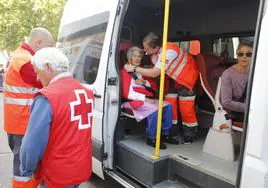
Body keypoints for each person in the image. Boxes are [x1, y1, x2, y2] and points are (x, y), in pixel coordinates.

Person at [19, 47, 94, 187]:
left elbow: (32, 144)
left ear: (48, 67)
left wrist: (27, 169)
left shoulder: (47, 97)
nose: (37, 77)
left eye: (37, 72)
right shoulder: (86, 93)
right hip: (79, 168)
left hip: (56, 173)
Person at [124, 32, 199, 143]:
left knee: (186, 108)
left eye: (146, 49)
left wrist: (135, 70)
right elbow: (128, 92)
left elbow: (154, 73)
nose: (145, 51)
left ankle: (189, 135)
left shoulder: (169, 51)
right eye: (136, 55)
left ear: (156, 47)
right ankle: (169, 132)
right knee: (170, 104)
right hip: (171, 79)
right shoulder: (152, 55)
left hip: (186, 78)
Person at [3, 27, 54, 187]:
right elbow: (46, 81)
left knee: (25, 163)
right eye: (48, 48)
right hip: (22, 123)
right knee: (23, 167)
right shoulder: (26, 61)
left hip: (19, 121)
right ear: (38, 43)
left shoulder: (21, 56)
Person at [121, 46, 179, 149]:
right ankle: (151, 138)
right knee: (154, 109)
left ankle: (165, 134)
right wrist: (145, 99)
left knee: (167, 106)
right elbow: (127, 93)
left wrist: (144, 82)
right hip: (131, 102)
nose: (137, 58)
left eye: (139, 56)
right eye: (134, 56)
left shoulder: (139, 70)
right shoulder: (125, 71)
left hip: (143, 99)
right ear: (129, 58)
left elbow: (150, 85)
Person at [221, 41, 253, 122]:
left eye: (249, 54)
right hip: (237, 112)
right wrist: (250, 108)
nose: (244, 57)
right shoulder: (227, 74)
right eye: (241, 54)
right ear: (237, 54)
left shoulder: (256, 71)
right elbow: (226, 102)